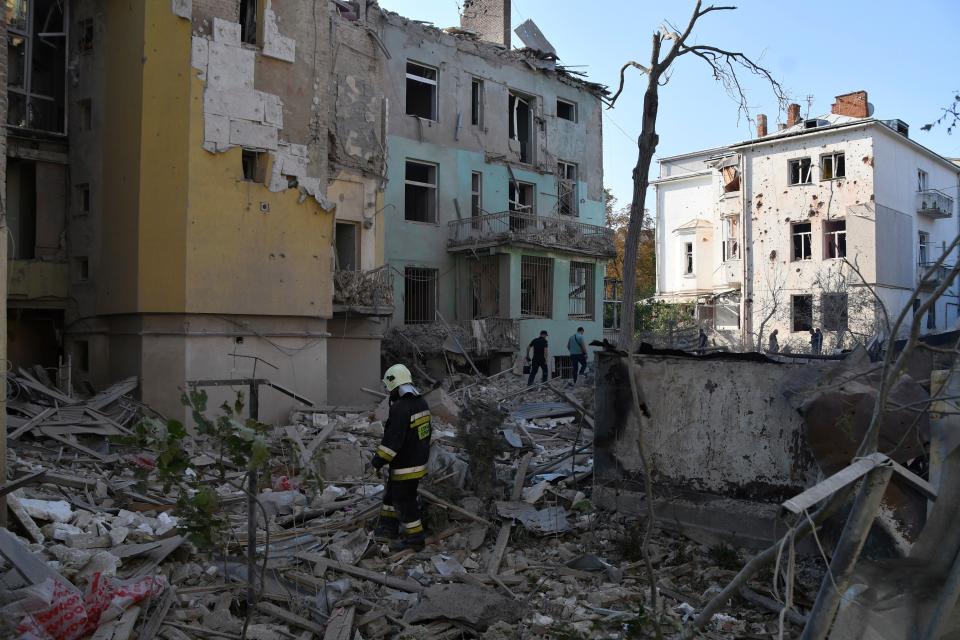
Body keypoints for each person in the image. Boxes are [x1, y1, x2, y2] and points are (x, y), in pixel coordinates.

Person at [371, 364, 431, 551]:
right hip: (417, 461)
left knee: (404, 501)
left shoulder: (400, 408)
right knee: (391, 495)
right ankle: (387, 528)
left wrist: (376, 462)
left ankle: (415, 540)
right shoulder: (421, 403)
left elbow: (391, 443)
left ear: (394, 387)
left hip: (406, 465)